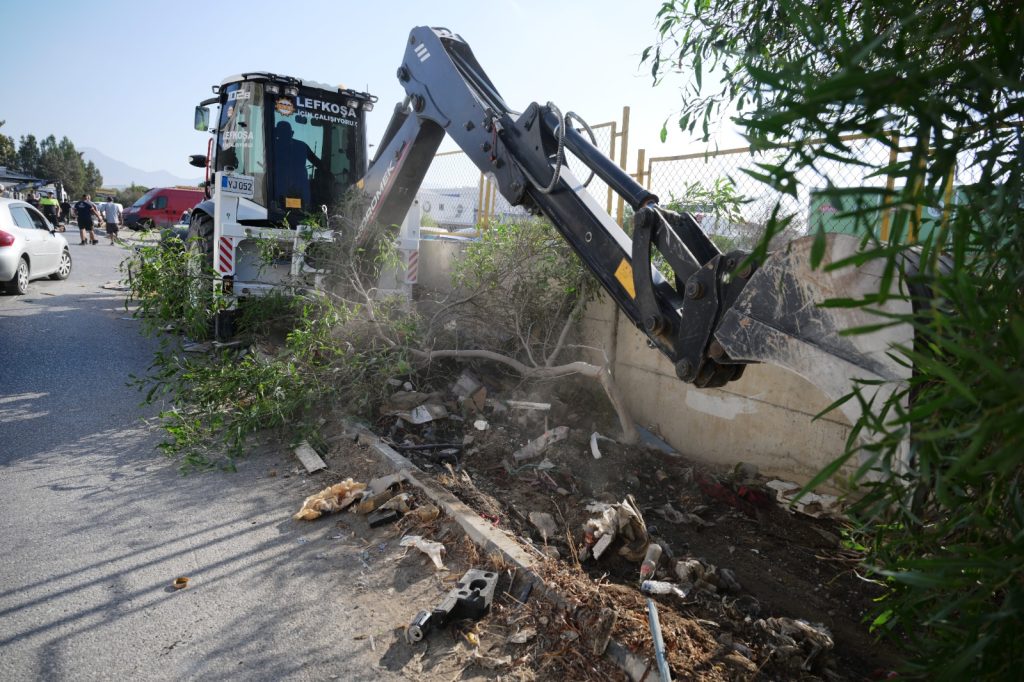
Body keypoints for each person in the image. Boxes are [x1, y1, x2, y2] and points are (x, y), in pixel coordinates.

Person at [271, 120, 322, 211]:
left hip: (287, 192)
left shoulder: (273, 145)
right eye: (282, 133)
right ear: (292, 133)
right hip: (292, 193)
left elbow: (320, 165)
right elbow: (320, 165)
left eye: (284, 133)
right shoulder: (302, 146)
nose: (284, 136)